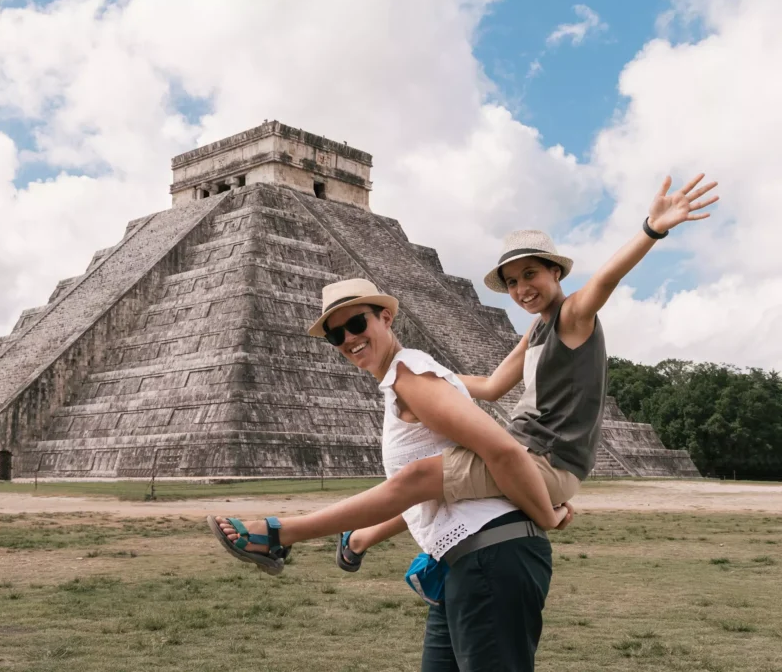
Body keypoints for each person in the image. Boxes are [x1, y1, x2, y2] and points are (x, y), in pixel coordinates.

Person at [336, 172, 719, 570]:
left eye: (530, 274)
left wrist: (652, 228)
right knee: (437, 479)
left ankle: (315, 533)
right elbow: (490, 386)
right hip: (524, 450)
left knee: (425, 476)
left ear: (556, 272)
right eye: (512, 282)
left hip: (546, 460)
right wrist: (419, 379)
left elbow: (606, 279)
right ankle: (362, 537)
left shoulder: (572, 316)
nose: (522, 289)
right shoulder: (536, 330)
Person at [210, 278, 573, 670]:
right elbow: (429, 488)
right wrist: (364, 537)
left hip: (490, 557)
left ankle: (280, 533)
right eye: (335, 334)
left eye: (357, 324)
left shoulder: (411, 376)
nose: (349, 338)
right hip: (462, 564)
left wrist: (546, 515)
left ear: (386, 317)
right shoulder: (401, 382)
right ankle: (285, 534)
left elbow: (502, 449)